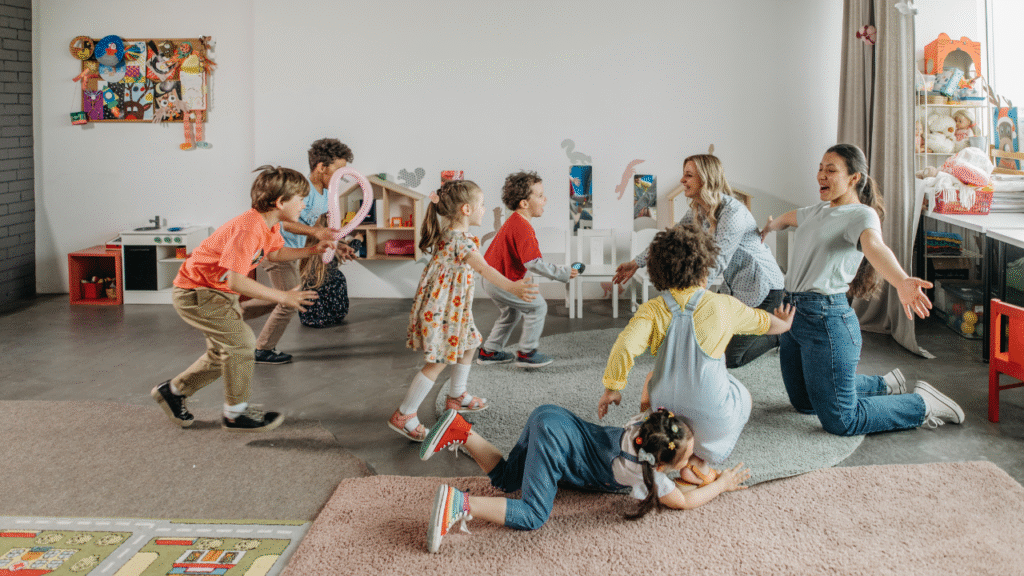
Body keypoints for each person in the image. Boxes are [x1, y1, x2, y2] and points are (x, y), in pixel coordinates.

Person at [759, 143, 964, 436]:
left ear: (854, 178)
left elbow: (875, 247)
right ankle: (884, 384)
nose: (822, 175)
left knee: (843, 420)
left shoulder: (861, 215)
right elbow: (789, 217)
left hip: (824, 321)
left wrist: (901, 280)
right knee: (804, 403)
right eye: (820, 168)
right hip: (792, 315)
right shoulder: (817, 211)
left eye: (831, 170)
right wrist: (772, 225)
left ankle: (922, 403)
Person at [599, 223, 795, 482]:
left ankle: (678, 452)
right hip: (714, 422)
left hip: (665, 416)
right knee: (742, 394)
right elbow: (765, 322)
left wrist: (613, 387)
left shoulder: (652, 309)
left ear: (658, 273)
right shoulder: (723, 305)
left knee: (653, 378)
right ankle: (698, 458)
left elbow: (624, 346)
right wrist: (786, 323)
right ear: (705, 267)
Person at [420, 406, 750, 553]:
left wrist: (685, 464)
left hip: (550, 417)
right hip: (555, 442)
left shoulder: (643, 426)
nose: (694, 460)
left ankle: (461, 430)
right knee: (534, 514)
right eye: (689, 455)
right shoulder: (646, 475)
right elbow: (685, 501)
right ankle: (460, 503)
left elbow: (655, 403)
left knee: (508, 479)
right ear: (660, 467)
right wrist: (721, 484)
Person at [152, 166, 334, 432]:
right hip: (197, 293)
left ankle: (173, 391)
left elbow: (274, 255)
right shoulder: (248, 228)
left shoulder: (269, 226)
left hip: (215, 293)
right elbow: (236, 281)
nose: (305, 204)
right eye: (301, 199)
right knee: (242, 345)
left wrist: (313, 250)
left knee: (222, 354)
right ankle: (235, 414)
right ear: (281, 202)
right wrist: (284, 296)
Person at [392, 180, 538, 441]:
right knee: (437, 362)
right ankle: (405, 414)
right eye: (481, 205)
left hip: (453, 309)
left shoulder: (450, 235)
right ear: (467, 209)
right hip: (445, 311)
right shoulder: (463, 243)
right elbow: (485, 270)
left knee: (470, 344)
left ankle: (457, 395)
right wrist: (512, 287)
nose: (484, 209)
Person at [613, 154, 786, 368]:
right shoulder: (698, 210)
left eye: (688, 175)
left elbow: (717, 259)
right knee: (709, 344)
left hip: (763, 287)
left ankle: (783, 336)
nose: (682, 180)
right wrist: (636, 262)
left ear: (705, 179)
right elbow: (672, 239)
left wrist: (693, 297)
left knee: (729, 358)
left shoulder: (733, 212)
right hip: (735, 287)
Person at [248, 138, 356, 364]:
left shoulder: (326, 194)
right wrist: (316, 233)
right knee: (290, 300)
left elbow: (316, 227)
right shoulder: (302, 191)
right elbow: (282, 221)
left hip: (291, 251)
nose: (341, 177)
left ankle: (227, 315)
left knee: (277, 298)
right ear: (321, 167)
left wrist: (338, 246)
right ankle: (263, 349)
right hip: (275, 248)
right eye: (338, 171)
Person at [476, 171, 579, 368]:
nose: (545, 199)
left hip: (493, 279)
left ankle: (489, 351)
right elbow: (533, 263)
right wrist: (563, 273)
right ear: (524, 203)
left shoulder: (516, 222)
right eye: (540, 196)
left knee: (511, 314)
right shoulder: (522, 226)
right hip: (500, 280)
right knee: (538, 306)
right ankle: (527, 353)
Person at [297, 215, 349, 328]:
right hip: (335, 316)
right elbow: (352, 247)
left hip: (308, 318)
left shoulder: (305, 254)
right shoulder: (331, 249)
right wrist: (360, 237)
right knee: (338, 278)